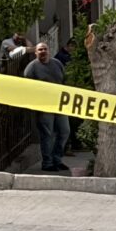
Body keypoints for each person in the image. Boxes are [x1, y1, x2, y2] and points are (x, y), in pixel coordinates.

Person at [23, 41, 70, 172]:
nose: (43, 51)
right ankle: (47, 163)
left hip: (60, 104)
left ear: (49, 51)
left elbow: (64, 80)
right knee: (47, 134)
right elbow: (26, 87)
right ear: (36, 53)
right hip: (43, 107)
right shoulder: (31, 68)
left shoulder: (57, 64)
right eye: (40, 50)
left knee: (64, 131)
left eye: (45, 49)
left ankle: (57, 159)